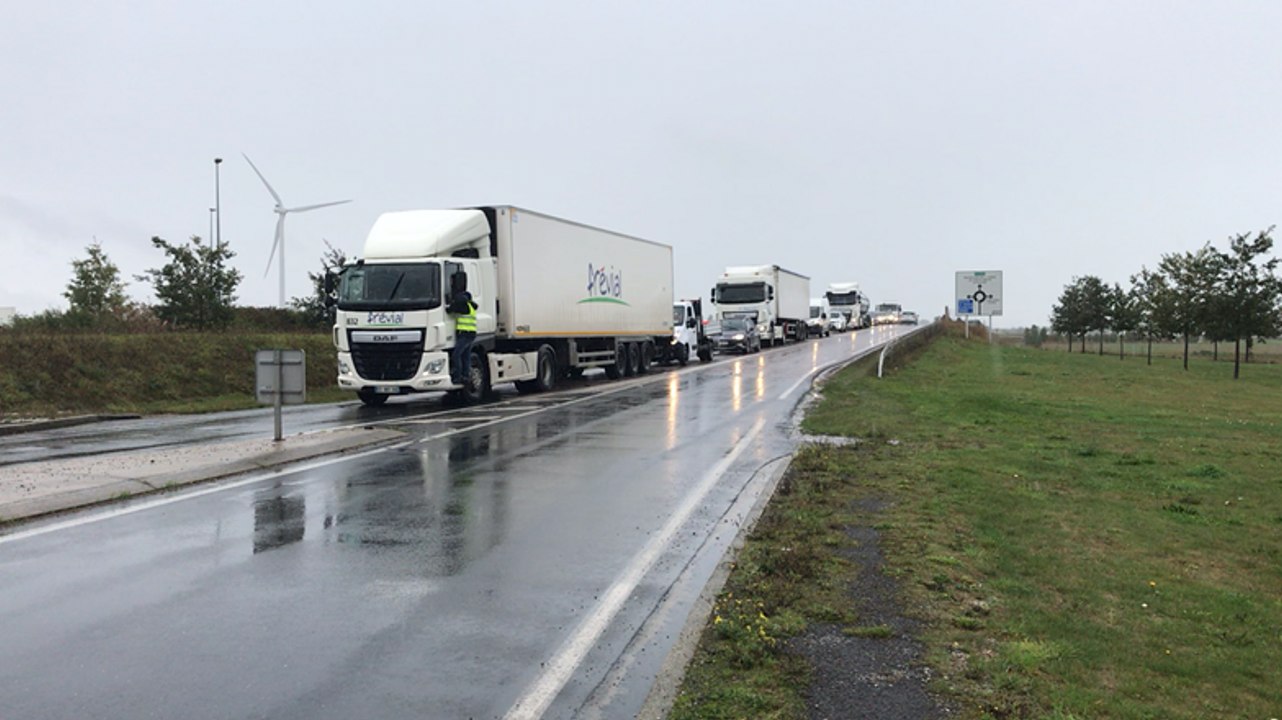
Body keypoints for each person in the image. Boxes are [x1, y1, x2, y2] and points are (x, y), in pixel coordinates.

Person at [447, 277, 478, 385]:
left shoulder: (463, 305)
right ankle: (465, 376)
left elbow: (450, 310)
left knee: (456, 355)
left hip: (465, 334)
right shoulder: (470, 305)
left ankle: (459, 377)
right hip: (470, 334)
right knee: (466, 356)